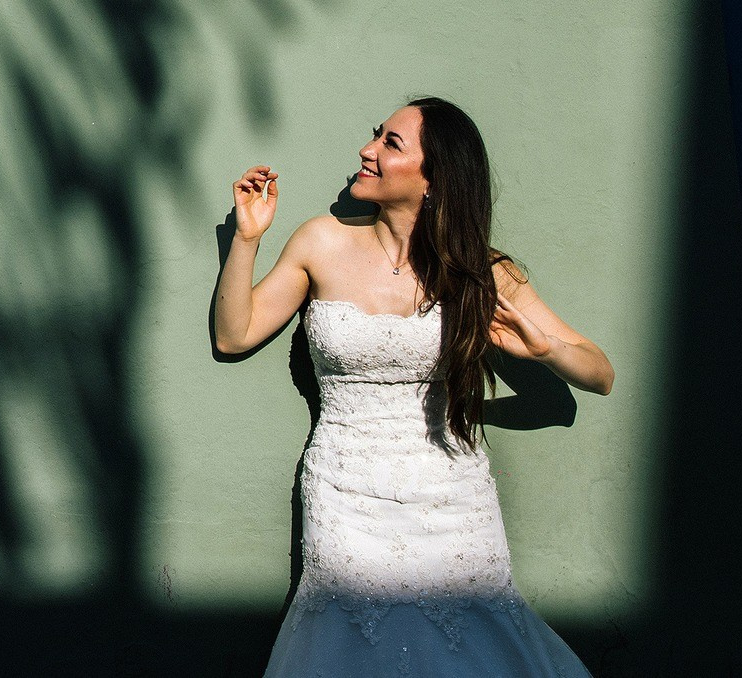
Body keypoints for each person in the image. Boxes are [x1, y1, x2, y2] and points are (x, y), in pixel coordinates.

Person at [212, 96, 614, 676]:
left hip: (455, 498)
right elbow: (235, 334)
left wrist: (545, 349)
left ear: (434, 179)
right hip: (345, 489)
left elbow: (599, 373)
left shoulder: (483, 271)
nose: (366, 151)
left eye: (390, 143)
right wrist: (247, 238)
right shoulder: (320, 242)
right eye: (376, 135)